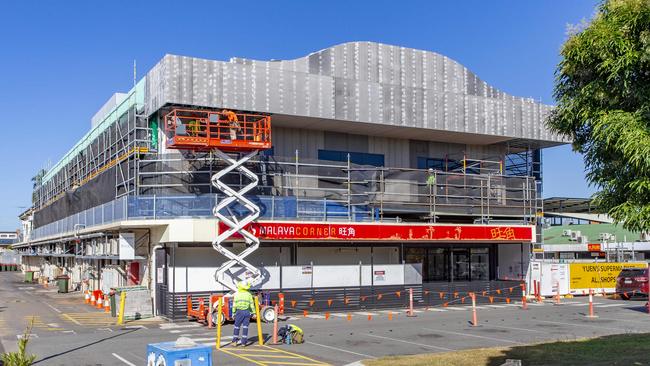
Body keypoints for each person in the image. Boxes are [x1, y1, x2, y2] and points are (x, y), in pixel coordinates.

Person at [232, 280, 255, 347]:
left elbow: (234, 305)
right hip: (247, 312)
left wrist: (233, 312)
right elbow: (251, 305)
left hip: (239, 312)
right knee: (245, 327)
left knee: (237, 327)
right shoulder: (249, 294)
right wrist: (254, 313)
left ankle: (234, 341)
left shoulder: (237, 294)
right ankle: (243, 342)